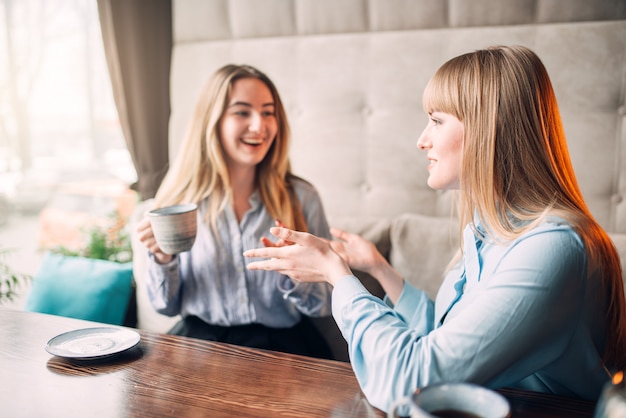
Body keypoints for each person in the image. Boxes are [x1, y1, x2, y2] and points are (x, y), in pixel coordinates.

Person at [244, 45, 626, 411]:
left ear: (487, 130)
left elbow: (412, 379)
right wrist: (378, 268)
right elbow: (446, 341)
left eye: (437, 121)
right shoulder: (487, 230)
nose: (422, 140)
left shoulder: (551, 249)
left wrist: (336, 274)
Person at [136, 64, 333, 359]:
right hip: (199, 346)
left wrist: (294, 272)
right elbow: (165, 306)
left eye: (268, 112)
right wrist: (163, 259)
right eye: (242, 112)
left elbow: (323, 305)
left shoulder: (302, 198)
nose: (259, 125)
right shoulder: (175, 203)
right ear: (211, 121)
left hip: (283, 349)